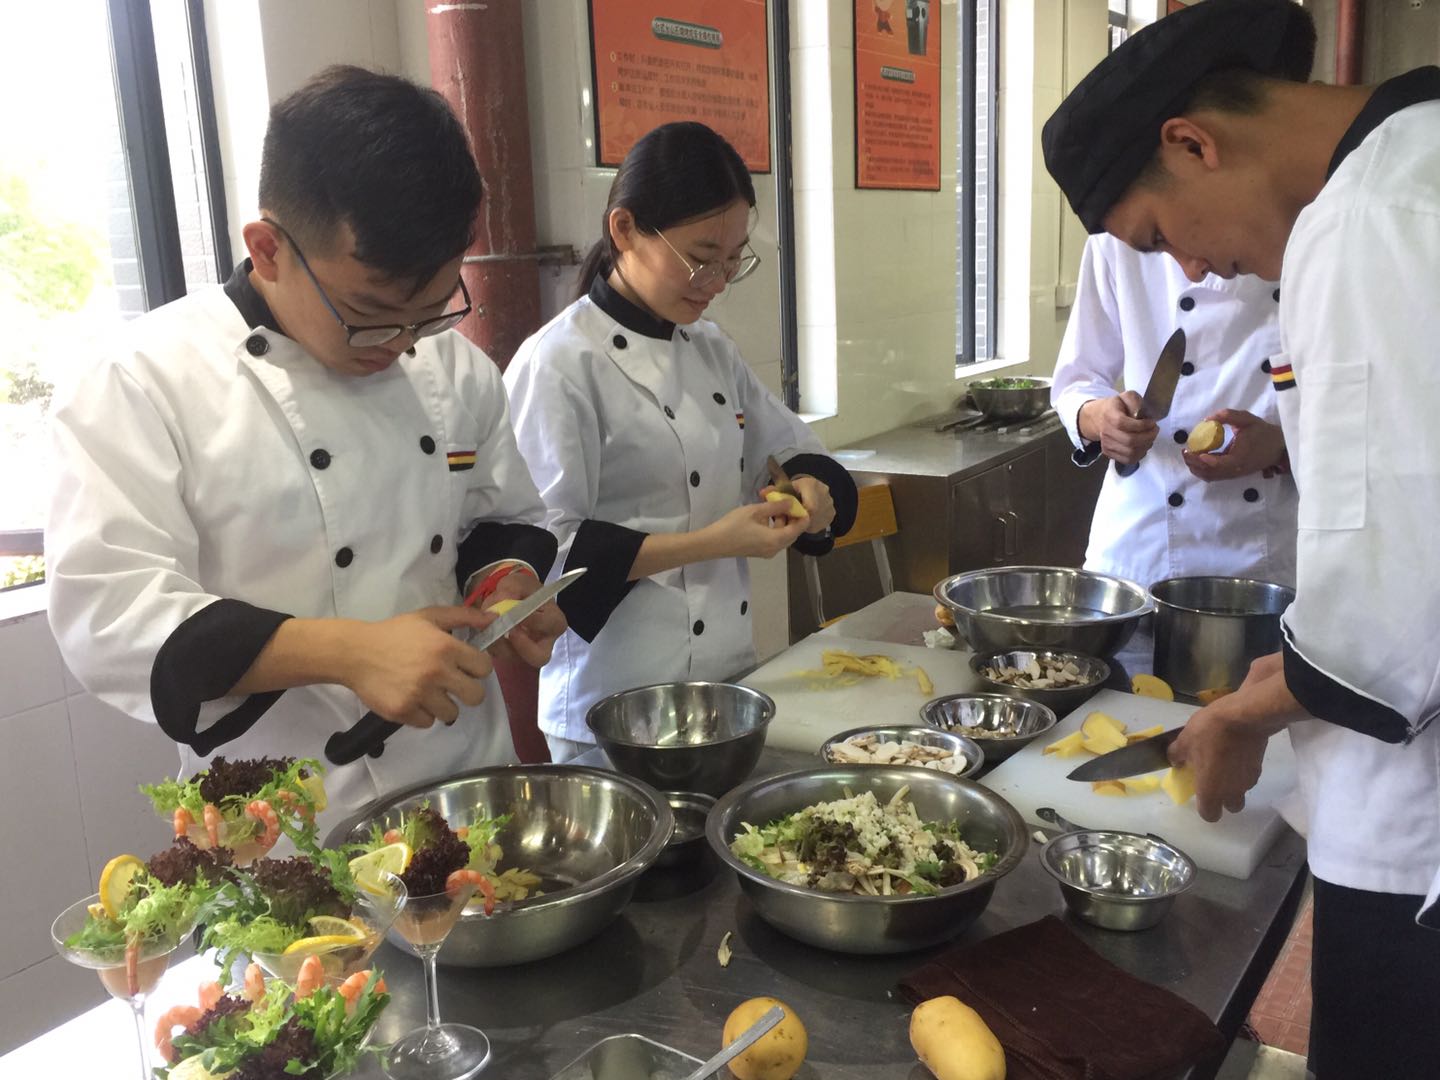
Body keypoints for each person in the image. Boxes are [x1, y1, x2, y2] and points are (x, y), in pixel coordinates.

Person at [1043, 1, 1440, 1075]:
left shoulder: (1372, 224)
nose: (1200, 273)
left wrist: (1241, 715)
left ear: (1192, 143)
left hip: (1420, 835)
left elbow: (1395, 615)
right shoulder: (1414, 168)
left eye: (1164, 235)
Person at [46, 66, 565, 833]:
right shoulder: (142, 380)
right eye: (370, 314)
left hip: (461, 785)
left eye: (431, 313)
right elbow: (111, 615)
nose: (400, 344)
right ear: (267, 247)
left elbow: (501, 514)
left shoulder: (452, 368)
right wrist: (351, 652)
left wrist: (508, 587)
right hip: (280, 816)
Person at [504, 122, 858, 762]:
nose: (717, 279)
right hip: (611, 707)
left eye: (733, 258)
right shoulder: (559, 362)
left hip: (728, 685)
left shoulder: (710, 348)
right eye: (700, 256)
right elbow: (545, 553)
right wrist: (713, 543)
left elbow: (791, 445)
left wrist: (811, 489)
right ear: (625, 230)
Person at [1052, 232, 1297, 674]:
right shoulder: (1114, 238)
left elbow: (1365, 408)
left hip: (1262, 562)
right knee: (1124, 708)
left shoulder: (1299, 228)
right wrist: (1101, 418)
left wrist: (1281, 443)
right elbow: (1077, 380)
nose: (1192, 268)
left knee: (1254, 718)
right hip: (1142, 547)